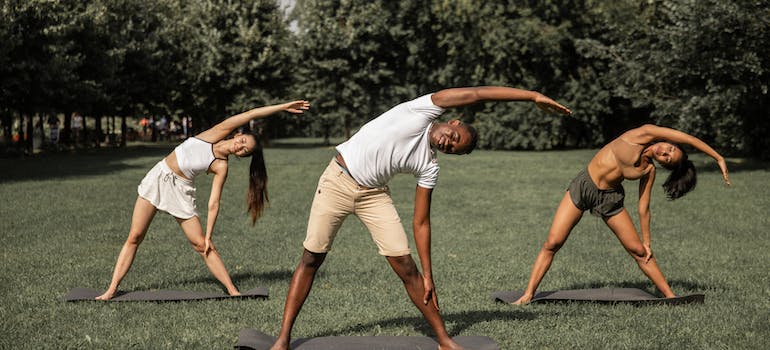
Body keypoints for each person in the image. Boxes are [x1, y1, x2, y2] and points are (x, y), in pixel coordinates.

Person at [269, 86, 572, 350]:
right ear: (452, 122)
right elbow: (477, 93)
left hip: (374, 195)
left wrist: (429, 274)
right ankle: (282, 339)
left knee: (407, 267)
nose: (447, 143)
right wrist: (532, 96)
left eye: (453, 148)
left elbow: (421, 221)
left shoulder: (429, 165)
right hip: (337, 179)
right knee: (311, 258)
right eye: (453, 136)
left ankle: (444, 340)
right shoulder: (421, 110)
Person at [95, 100, 310, 300]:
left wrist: (208, 234)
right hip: (158, 177)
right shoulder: (216, 133)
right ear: (237, 135)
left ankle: (233, 291)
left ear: (241, 156)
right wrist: (283, 107)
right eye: (242, 141)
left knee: (202, 245)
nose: (240, 147)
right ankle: (111, 289)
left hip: (181, 191)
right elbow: (251, 113)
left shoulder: (221, 165)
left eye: (245, 150)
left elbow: (214, 202)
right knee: (135, 236)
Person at [512, 124, 731, 304]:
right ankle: (528, 294)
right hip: (584, 185)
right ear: (669, 142)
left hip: (609, 198)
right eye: (670, 150)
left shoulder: (649, 170)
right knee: (553, 242)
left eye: (668, 159)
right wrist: (717, 157)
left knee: (638, 251)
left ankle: (670, 296)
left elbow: (643, 207)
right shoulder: (642, 134)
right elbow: (686, 136)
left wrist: (647, 241)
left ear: (663, 166)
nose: (665, 153)